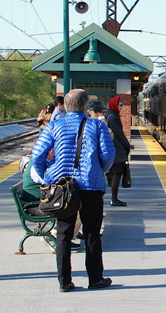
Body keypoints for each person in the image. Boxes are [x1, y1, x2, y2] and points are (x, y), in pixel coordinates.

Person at [32, 89, 114, 292]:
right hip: (90, 186)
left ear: (67, 106)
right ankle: (95, 279)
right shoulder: (96, 126)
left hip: (62, 187)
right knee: (92, 233)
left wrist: (46, 176)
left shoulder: (53, 126)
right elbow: (108, 154)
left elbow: (37, 155)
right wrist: (99, 170)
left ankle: (64, 282)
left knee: (63, 234)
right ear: (86, 107)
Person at [105, 96, 131, 207]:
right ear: (115, 105)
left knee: (117, 173)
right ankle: (114, 199)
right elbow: (119, 134)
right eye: (120, 105)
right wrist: (127, 145)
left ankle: (114, 198)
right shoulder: (112, 117)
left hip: (117, 149)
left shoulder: (112, 116)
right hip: (117, 150)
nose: (121, 108)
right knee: (118, 173)